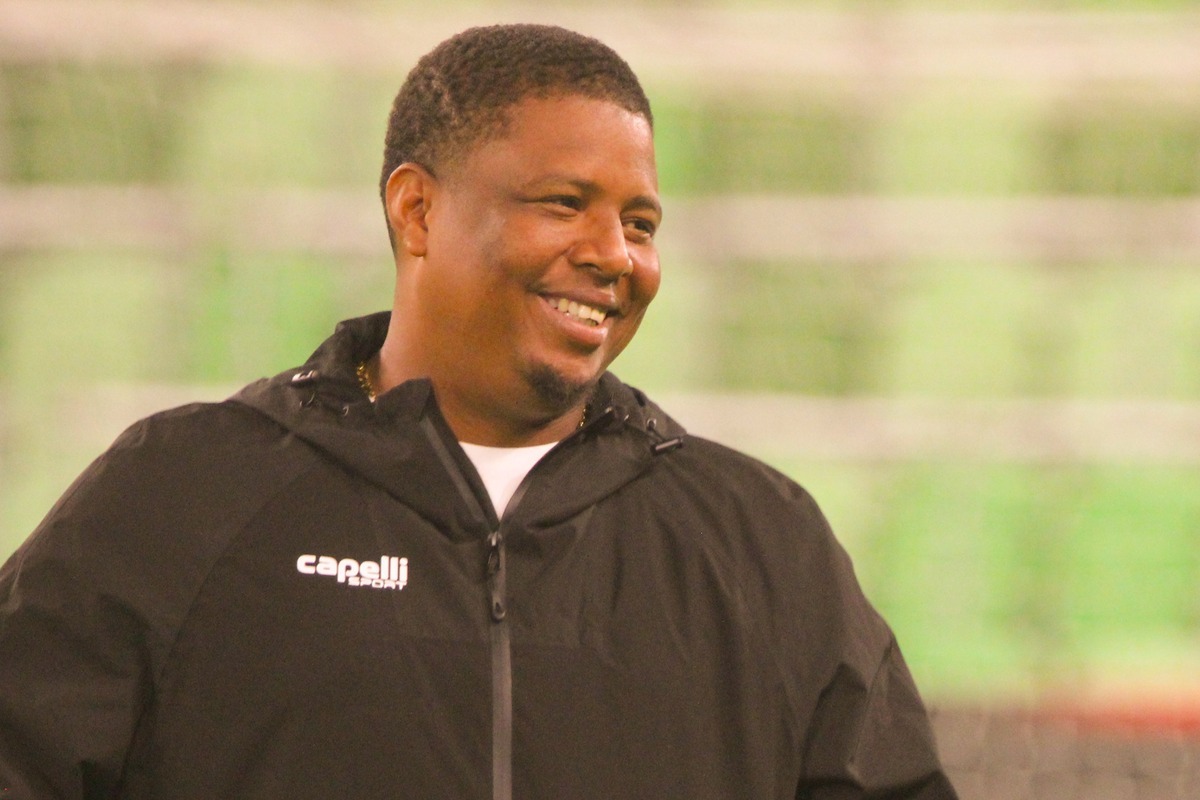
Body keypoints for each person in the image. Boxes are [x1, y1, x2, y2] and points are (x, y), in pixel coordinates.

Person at [0, 24, 957, 800]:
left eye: (641, 222)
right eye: (564, 202)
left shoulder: (758, 542)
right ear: (417, 212)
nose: (614, 253)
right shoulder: (181, 493)